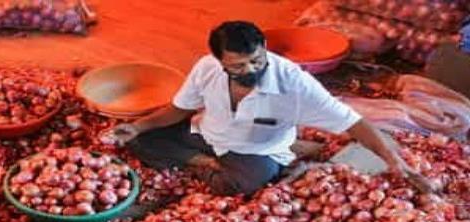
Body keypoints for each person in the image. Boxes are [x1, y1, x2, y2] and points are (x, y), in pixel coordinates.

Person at [110, 21, 437, 197]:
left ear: (265, 49)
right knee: (139, 141)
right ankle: (207, 161)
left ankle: (280, 151)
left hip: (258, 148)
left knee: (244, 185)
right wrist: (138, 127)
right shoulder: (206, 68)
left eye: (257, 60)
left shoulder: (295, 84)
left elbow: (354, 123)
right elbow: (178, 110)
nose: (251, 68)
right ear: (220, 61)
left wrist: (395, 162)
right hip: (208, 134)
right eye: (238, 65)